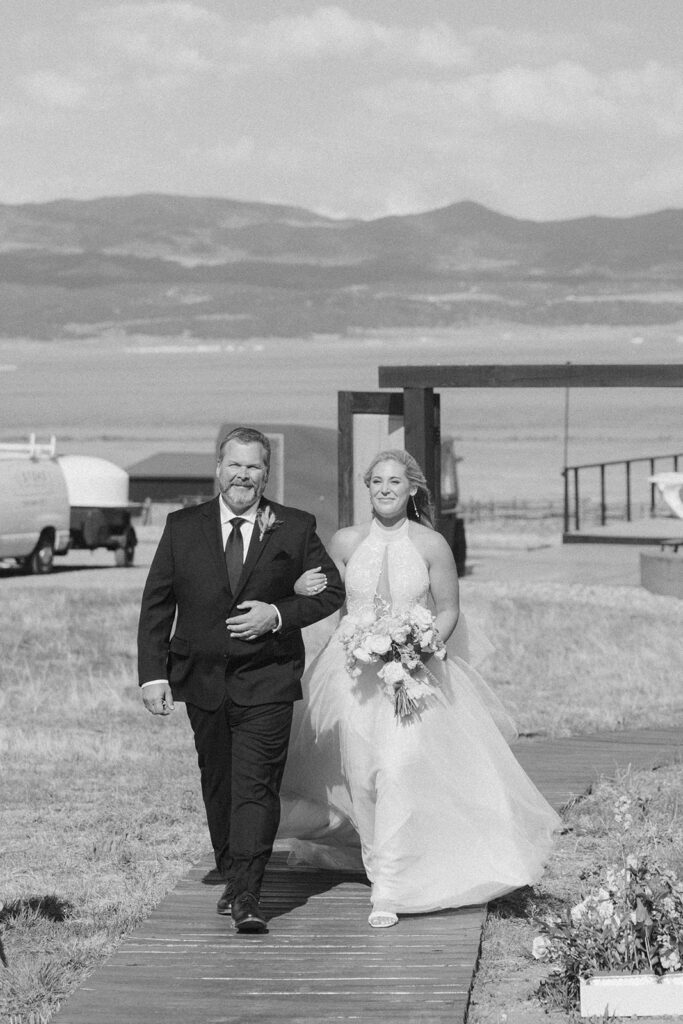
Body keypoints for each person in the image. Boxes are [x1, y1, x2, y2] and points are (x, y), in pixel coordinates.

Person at [279, 448, 561, 928]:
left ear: (411, 488)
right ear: (367, 488)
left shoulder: (432, 544)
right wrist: (300, 585)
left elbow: (448, 609)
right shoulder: (345, 541)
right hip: (351, 678)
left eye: (395, 481)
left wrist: (420, 649)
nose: (385, 489)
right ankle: (375, 862)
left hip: (415, 675)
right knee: (359, 776)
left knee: (399, 768)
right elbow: (326, 597)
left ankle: (390, 888)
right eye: (377, 482)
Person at [137, 427, 344, 934]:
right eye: (235, 465)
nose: (243, 476)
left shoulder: (294, 526)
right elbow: (158, 603)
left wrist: (278, 613)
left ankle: (249, 893)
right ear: (218, 468)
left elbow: (331, 592)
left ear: (266, 474)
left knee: (256, 786)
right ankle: (233, 872)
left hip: (268, 679)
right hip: (201, 679)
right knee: (220, 782)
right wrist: (153, 676)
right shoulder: (182, 527)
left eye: (253, 467)